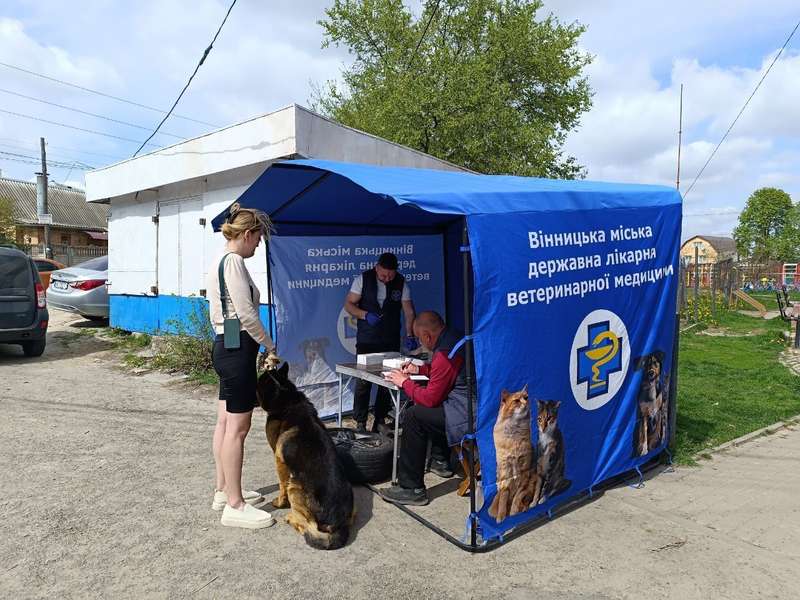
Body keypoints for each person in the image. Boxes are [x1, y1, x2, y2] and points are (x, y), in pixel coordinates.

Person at [207, 202, 280, 529]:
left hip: (226, 345)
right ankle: (235, 505)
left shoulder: (220, 261)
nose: (258, 245)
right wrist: (269, 344)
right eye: (259, 239)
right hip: (237, 351)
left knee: (225, 423)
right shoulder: (235, 262)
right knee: (238, 428)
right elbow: (247, 315)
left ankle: (224, 491)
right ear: (248, 234)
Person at [381, 311, 474, 506]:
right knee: (432, 407)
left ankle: (411, 488)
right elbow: (446, 374)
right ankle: (440, 461)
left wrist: (404, 382)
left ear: (427, 336)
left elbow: (430, 399)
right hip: (473, 407)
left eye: (419, 339)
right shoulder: (455, 337)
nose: (421, 343)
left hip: (468, 415)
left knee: (414, 416)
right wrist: (421, 369)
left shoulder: (445, 353)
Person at [344, 252, 416, 433]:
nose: (387, 279)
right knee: (363, 380)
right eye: (383, 275)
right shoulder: (362, 279)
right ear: (377, 268)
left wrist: (410, 335)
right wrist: (365, 315)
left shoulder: (401, 282)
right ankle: (360, 422)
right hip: (367, 339)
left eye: (390, 276)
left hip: (390, 338)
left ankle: (380, 419)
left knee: (388, 380)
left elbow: (408, 311)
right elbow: (349, 305)